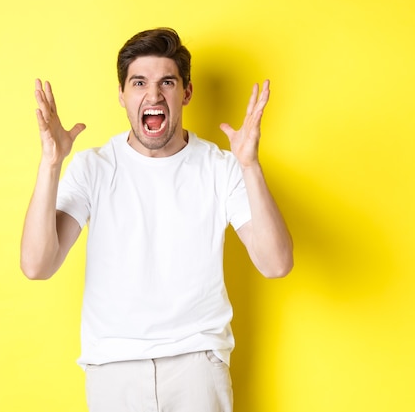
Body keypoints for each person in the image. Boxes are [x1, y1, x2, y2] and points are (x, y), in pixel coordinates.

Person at [20, 27, 293, 412]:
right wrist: (51, 163)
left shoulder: (221, 167)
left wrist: (249, 165)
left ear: (186, 92)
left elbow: (276, 263)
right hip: (113, 368)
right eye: (139, 83)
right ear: (122, 95)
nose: (153, 95)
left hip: (197, 365)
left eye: (167, 81)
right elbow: (37, 265)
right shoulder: (93, 168)